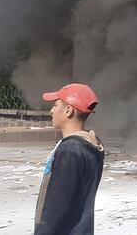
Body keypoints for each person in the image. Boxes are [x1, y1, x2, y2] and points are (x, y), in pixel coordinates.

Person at [35, 83, 105, 235]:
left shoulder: (70, 150)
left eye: (55, 105)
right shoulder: (89, 145)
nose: (51, 110)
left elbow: (57, 203)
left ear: (68, 111)